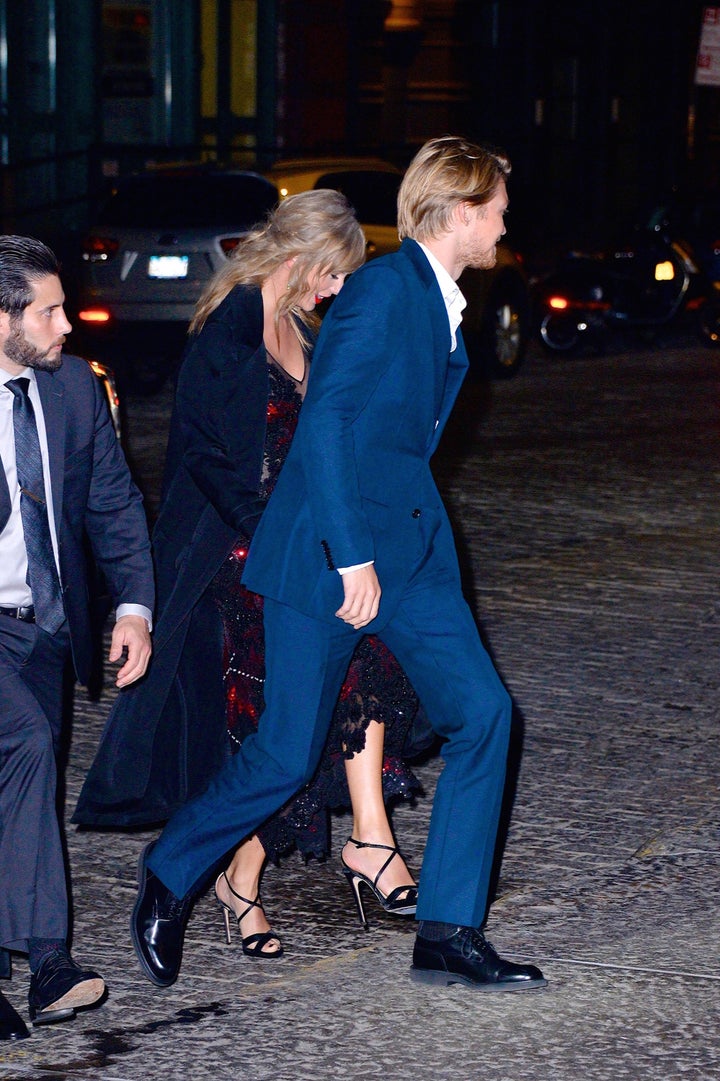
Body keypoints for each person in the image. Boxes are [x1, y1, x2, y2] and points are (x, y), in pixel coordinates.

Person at [131, 134, 547, 992]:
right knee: (285, 754)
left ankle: (448, 930)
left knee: (486, 713)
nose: (506, 223)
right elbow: (325, 423)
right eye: (499, 209)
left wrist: (396, 553)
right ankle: (171, 871)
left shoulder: (442, 309)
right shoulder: (381, 294)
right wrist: (351, 558)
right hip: (328, 552)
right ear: (463, 211)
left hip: (413, 555)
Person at [75, 188, 423, 966]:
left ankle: (349, 843)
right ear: (301, 259)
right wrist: (275, 536)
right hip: (234, 550)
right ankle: (245, 875)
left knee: (362, 663)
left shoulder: (304, 326)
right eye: (332, 275)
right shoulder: (228, 329)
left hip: (300, 546)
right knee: (275, 717)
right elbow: (202, 456)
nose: (336, 292)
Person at [0, 235, 154, 1040]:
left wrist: (133, 607)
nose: (68, 323)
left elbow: (114, 502)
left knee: (24, 781)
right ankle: (51, 958)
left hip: (46, 626)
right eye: (50, 310)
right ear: (2, 317)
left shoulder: (73, 391)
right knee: (21, 744)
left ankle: (22, 966)